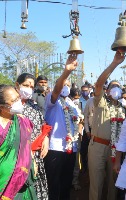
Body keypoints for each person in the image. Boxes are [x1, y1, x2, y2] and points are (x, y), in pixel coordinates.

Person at [88, 51, 126, 200]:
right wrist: (115, 63)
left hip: (115, 149)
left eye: (118, 87)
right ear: (107, 90)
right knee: (96, 184)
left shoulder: (123, 108)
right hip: (98, 146)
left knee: (113, 184)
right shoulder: (100, 101)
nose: (115, 89)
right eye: (112, 86)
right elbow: (99, 83)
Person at [44, 54, 80, 200]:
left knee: (66, 183)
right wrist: (67, 71)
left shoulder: (72, 104)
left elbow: (78, 122)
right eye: (63, 84)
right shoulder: (52, 100)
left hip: (71, 148)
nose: (65, 87)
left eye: (68, 85)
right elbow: (57, 90)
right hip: (55, 148)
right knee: (54, 184)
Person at [0, 84, 37, 199]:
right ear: (1, 107)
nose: (19, 102)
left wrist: (32, 162)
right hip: (1, 186)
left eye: (18, 98)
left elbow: (26, 144)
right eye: (14, 101)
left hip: (25, 183)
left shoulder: (21, 120)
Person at [15, 73, 49, 200]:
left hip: (35, 158)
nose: (28, 88)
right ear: (17, 85)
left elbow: (43, 125)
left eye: (31, 86)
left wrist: (46, 137)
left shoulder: (34, 106)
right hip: (16, 159)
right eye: (25, 85)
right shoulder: (10, 107)